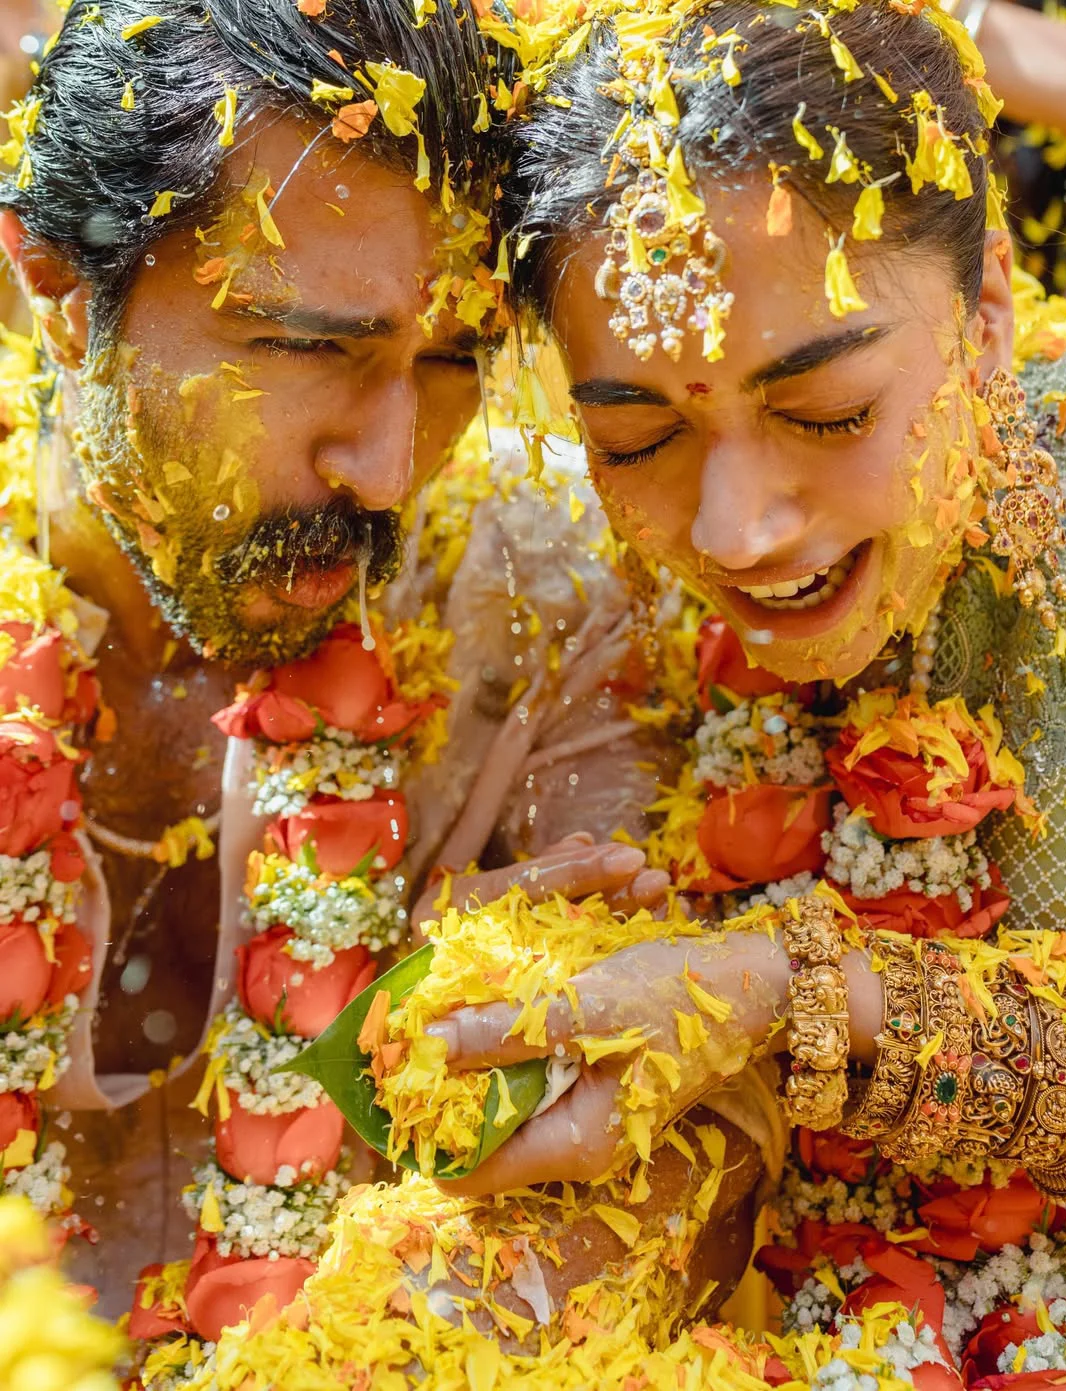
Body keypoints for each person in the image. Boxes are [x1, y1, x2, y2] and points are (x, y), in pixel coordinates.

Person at [188, 1, 1066, 1385]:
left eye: (827, 410)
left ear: (987, 316)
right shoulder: (609, 603)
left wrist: (790, 993)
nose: (735, 532)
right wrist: (509, 998)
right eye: (639, 435)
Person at [0, 0, 687, 1323]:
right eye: (312, 350)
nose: (385, 468)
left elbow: (669, 1197)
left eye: (450, 362)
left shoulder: (542, 612)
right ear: (55, 296)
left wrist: (442, 1048)